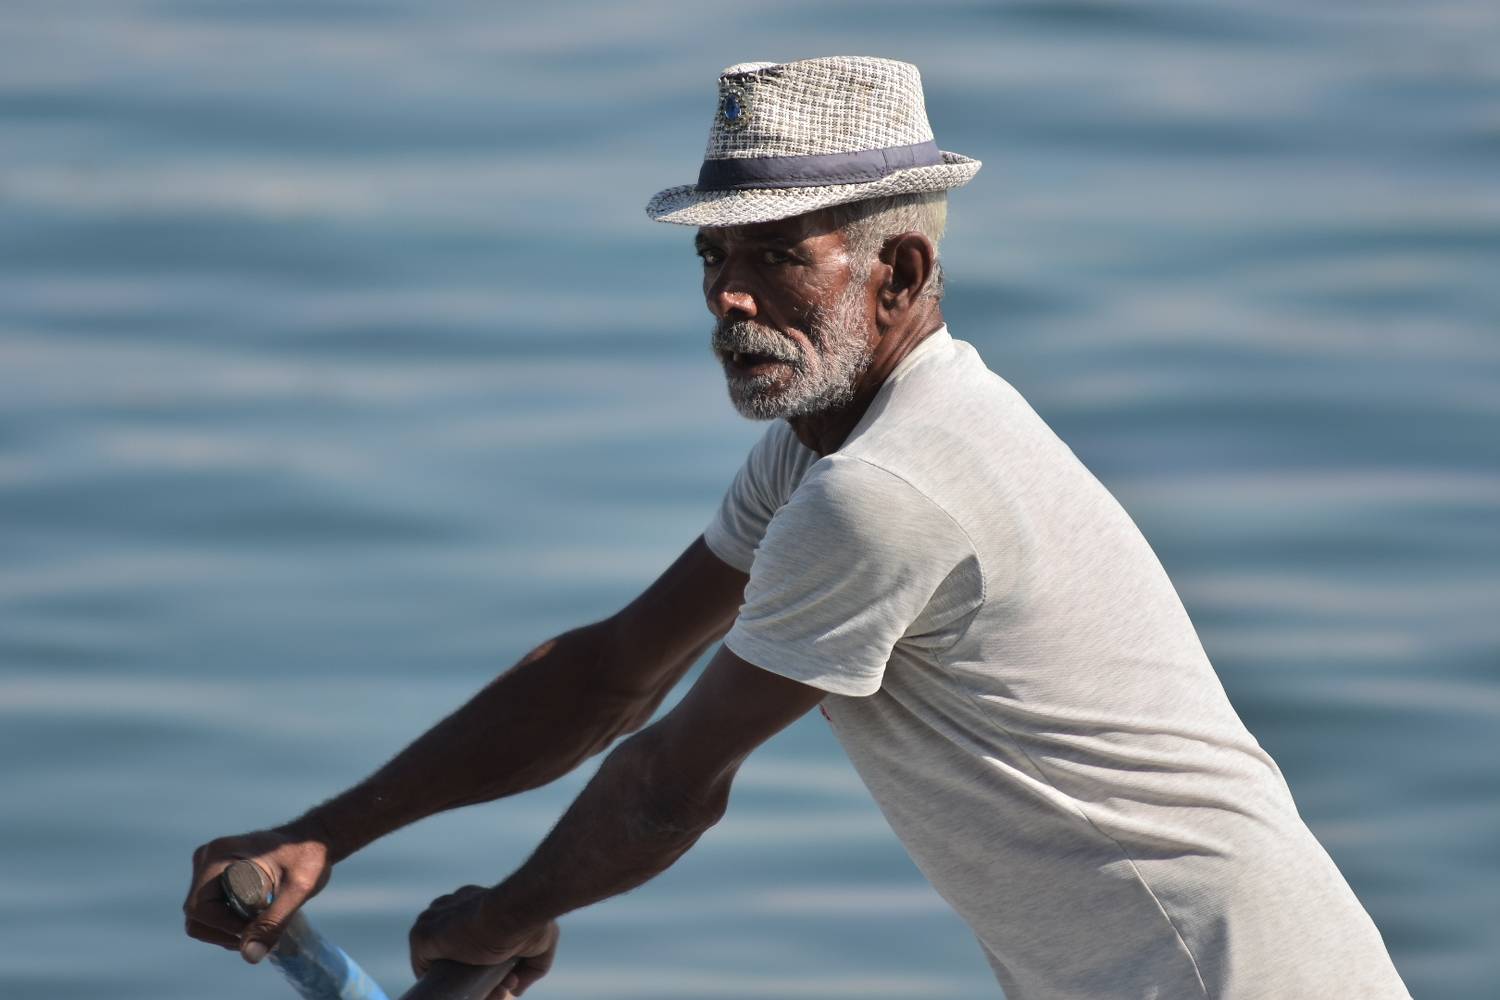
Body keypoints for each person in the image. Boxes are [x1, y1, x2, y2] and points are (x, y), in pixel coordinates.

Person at [184, 56, 1412, 1000]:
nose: (729, 296)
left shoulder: (890, 486)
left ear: (898, 274)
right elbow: (612, 673)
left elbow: (672, 782)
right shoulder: (824, 447)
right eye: (714, 255)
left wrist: (501, 917)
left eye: (777, 257)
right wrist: (325, 833)